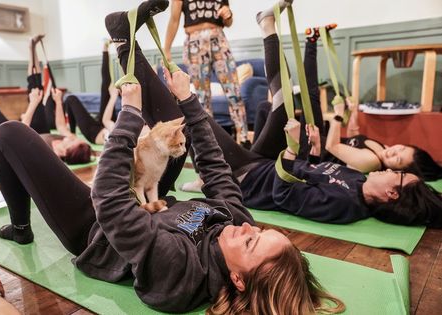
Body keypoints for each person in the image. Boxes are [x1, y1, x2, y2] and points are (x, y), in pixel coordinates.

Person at [0, 2, 344, 314]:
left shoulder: (181, 270)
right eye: (261, 230)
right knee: (178, 132)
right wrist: (188, 100)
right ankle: (125, 40)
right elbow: (217, 168)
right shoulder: (234, 222)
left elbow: (110, 204)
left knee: (10, 133)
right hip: (148, 199)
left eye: (252, 241)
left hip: (96, 226)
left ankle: (21, 228)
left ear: (238, 279)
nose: (249, 226)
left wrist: (129, 115)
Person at [200, 3, 442, 227]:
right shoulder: (358, 178)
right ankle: (267, 26)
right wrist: (313, 151)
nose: (390, 169)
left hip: (247, 180)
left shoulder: (345, 205)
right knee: (280, 98)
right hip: (264, 163)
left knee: (195, 118)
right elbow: (313, 172)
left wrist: (294, 148)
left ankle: (211, 178)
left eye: (397, 171)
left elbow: (282, 195)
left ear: (392, 194)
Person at [252, 23, 442, 182]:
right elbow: (354, 137)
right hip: (318, 136)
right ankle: (312, 40)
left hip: (312, 150)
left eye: (398, 160)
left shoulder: (372, 162)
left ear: (396, 171)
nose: (394, 152)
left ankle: (256, 158)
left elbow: (332, 147)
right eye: (401, 148)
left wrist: (338, 115)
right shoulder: (383, 148)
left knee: (266, 108)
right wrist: (352, 113)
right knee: (310, 94)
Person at [0, 36, 92, 165]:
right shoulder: (70, 142)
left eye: (71, 142)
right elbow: (61, 126)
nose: (71, 138)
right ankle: (32, 48)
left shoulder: (48, 154)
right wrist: (58, 102)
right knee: (36, 89)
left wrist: (33, 104)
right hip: (40, 131)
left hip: (15, 135)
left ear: (63, 153)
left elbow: (19, 132)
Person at [164, 0, 250, 146]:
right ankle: (210, 142)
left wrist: (228, 15)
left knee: (234, 91)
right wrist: (166, 49)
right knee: (203, 98)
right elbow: (174, 19)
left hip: (219, 39)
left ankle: (243, 139)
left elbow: (228, 21)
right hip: (194, 42)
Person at [63, 40, 120, 145]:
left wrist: (113, 97)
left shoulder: (120, 135)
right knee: (106, 85)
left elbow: (105, 121)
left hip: (94, 133)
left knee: (71, 99)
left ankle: (72, 134)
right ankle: (105, 49)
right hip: (106, 124)